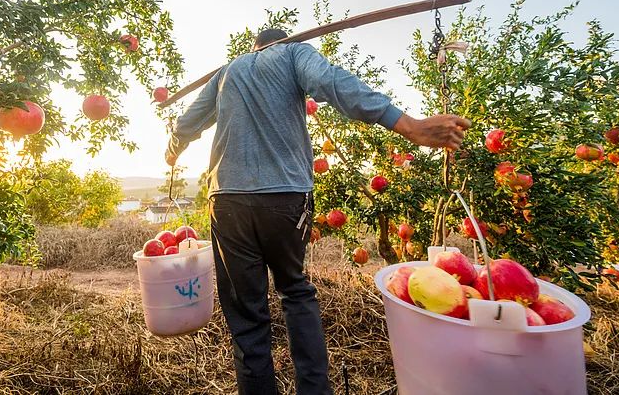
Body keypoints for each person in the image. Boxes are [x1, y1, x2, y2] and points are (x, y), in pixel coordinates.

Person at [165, 28, 471, 395]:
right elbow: (333, 82)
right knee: (294, 291)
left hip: (228, 201)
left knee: (246, 313)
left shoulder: (227, 72)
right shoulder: (294, 55)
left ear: (255, 48)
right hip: (285, 199)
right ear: (281, 44)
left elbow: (187, 123)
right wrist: (405, 124)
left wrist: (173, 149)